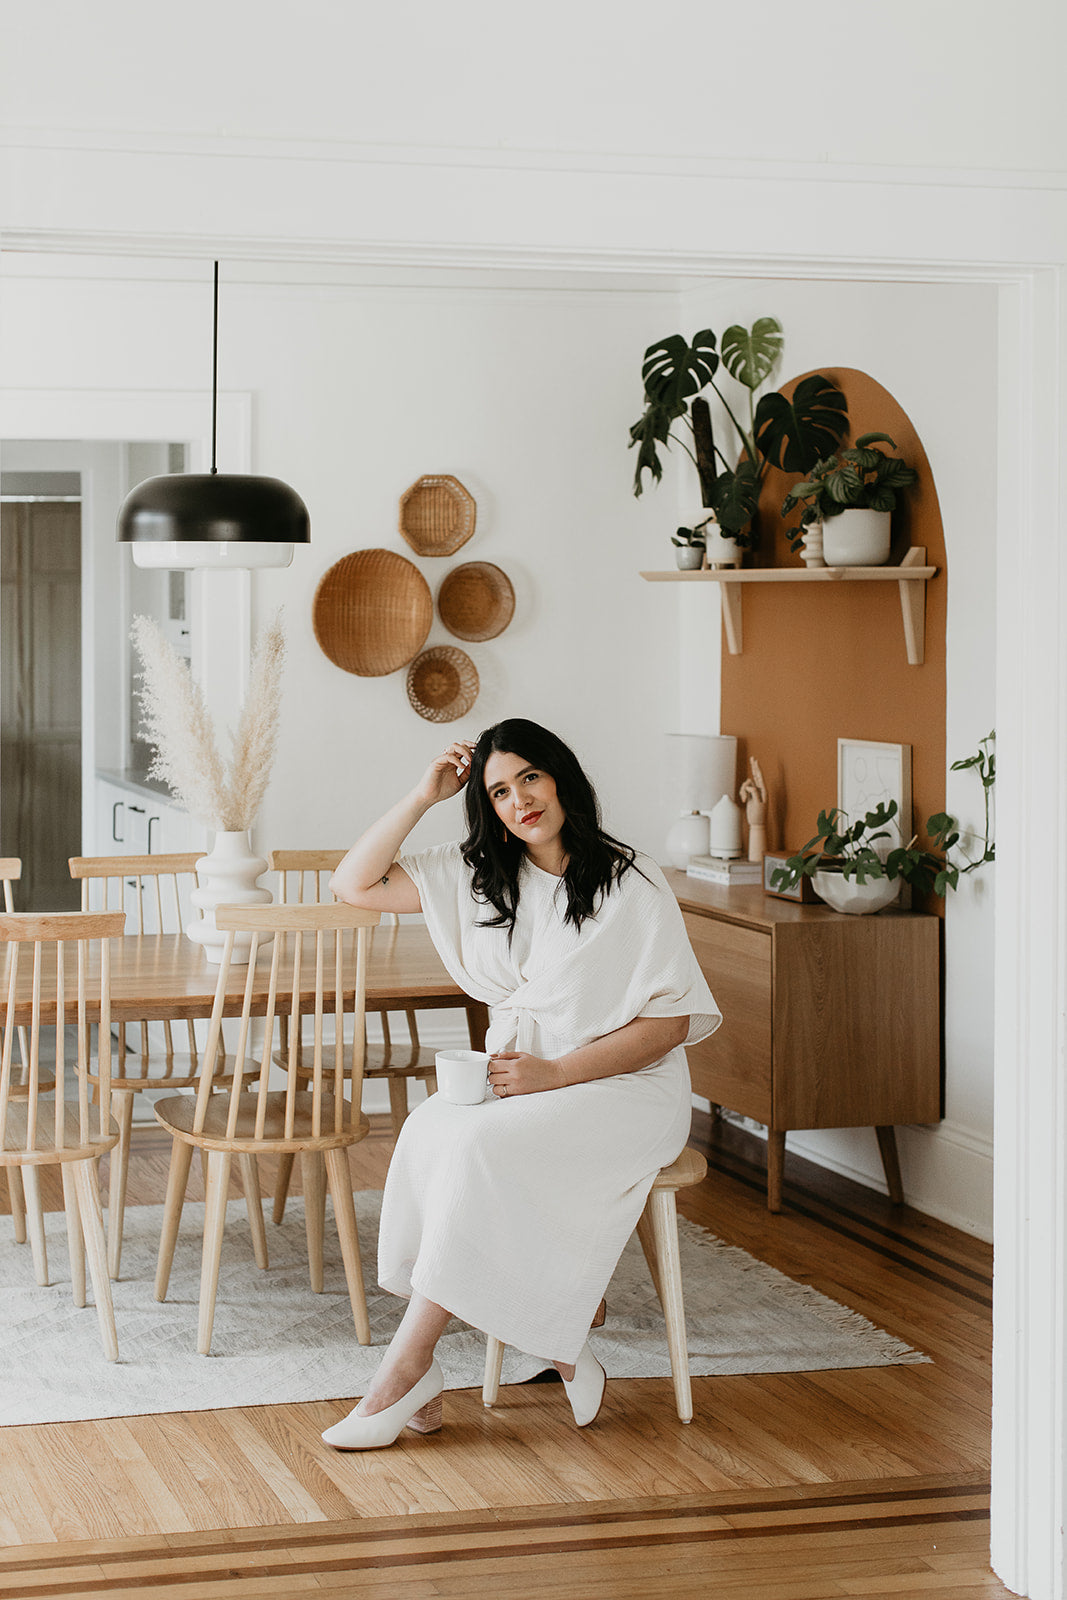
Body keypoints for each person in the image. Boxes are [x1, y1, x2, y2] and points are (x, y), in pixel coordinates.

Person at [321, 718, 721, 1450]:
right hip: (524, 1081)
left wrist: (559, 1072)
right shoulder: (476, 874)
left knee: (484, 1152)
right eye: (498, 790)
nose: (518, 800)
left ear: (560, 775)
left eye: (529, 778)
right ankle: (560, 1335)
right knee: (431, 1130)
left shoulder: (632, 883)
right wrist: (422, 795)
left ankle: (406, 1368)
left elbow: (667, 1027)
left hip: (624, 1089)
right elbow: (352, 883)